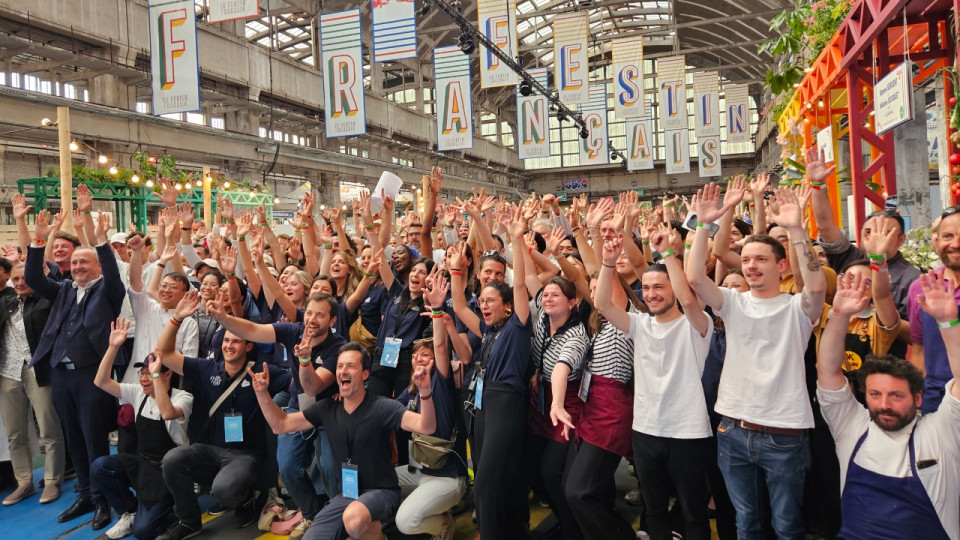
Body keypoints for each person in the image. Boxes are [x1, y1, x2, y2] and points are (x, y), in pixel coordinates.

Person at [687, 182, 826, 540]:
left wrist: (797, 230)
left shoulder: (798, 309)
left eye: (761, 259)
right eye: (746, 260)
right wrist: (702, 225)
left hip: (784, 436)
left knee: (787, 526)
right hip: (733, 430)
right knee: (745, 523)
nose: (751, 266)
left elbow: (815, 287)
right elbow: (694, 278)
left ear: (781, 266)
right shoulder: (734, 303)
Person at [816, 270, 960, 539]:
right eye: (875, 394)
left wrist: (948, 322)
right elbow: (827, 372)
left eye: (896, 395)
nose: (884, 404)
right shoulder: (851, 426)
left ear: (918, 399)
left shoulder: (942, 432)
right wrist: (840, 315)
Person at [250, 342, 437, 540]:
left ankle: (377, 535)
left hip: (381, 492)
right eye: (339, 366)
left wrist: (425, 391)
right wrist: (262, 394)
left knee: (354, 520)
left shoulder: (382, 407)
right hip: (346, 495)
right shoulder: (328, 407)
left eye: (351, 366)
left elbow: (426, 426)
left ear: (365, 374)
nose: (343, 371)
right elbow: (281, 424)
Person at [597, 225, 714, 540]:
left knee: (694, 514)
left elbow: (690, 302)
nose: (651, 294)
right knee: (654, 510)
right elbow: (603, 305)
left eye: (659, 287)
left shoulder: (696, 326)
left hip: (688, 433)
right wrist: (607, 264)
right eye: (646, 288)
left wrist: (666, 254)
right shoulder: (640, 325)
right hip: (646, 432)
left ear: (674, 289)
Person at [207, 293, 347, 539]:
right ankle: (313, 514)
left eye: (320, 315)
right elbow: (252, 329)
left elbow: (313, 387)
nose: (312, 320)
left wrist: (304, 360)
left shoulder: (339, 348)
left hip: (328, 412)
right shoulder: (293, 330)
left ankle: (338, 519)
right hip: (298, 407)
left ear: (332, 321)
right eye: (310, 313)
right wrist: (223, 318)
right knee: (288, 466)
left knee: (329, 468)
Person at [25, 187, 125, 529]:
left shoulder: (108, 290)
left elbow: (113, 273)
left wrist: (99, 239)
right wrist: (38, 242)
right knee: (73, 436)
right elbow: (33, 277)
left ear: (96, 266)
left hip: (91, 374)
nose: (77, 266)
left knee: (94, 436)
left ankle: (102, 499)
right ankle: (84, 493)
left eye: (85, 262)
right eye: (75, 262)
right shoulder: (64, 288)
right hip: (61, 374)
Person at [156, 291, 292, 540]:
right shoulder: (206, 368)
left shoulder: (263, 372)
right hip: (209, 449)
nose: (229, 346)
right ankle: (189, 522)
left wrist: (301, 356)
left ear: (248, 346)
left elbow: (300, 384)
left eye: (237, 342)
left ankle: (247, 497)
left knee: (223, 490)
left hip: (244, 455)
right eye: (227, 341)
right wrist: (176, 319)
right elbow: (164, 353)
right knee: (173, 459)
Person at [449, 207, 532, 539]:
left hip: (506, 402)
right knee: (494, 477)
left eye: (490, 300)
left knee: (483, 485)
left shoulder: (518, 325)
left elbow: (522, 283)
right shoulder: (488, 331)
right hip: (483, 404)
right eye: (481, 300)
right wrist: (457, 268)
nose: (483, 305)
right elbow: (457, 305)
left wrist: (516, 238)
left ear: (508, 305)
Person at [92, 318, 193, 540]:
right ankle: (129, 511)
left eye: (151, 372)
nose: (144, 378)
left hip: (168, 472)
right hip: (141, 464)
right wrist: (113, 347)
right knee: (101, 467)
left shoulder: (183, 397)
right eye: (142, 373)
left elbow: (167, 413)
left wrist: (156, 378)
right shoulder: (139, 393)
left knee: (144, 532)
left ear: (168, 374)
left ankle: (173, 509)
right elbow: (101, 381)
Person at [393, 273, 467, 540]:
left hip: (446, 479)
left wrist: (437, 309)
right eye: (415, 356)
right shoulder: (411, 389)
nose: (418, 359)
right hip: (418, 472)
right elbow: (388, 409)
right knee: (376, 481)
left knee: (406, 522)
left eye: (425, 355)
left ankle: (444, 524)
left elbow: (440, 345)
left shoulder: (440, 383)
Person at [806, 146, 919, 321]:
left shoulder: (911, 279)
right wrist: (817, 185)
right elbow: (826, 226)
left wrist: (880, 321)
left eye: (885, 232)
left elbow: (916, 332)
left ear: (901, 240)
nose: (875, 237)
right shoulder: (850, 258)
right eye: (869, 231)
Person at [0, 262, 64, 506]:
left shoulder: (47, 301)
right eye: (15, 279)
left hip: (39, 370)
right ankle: (23, 482)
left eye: (24, 278)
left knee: (49, 428)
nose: (19, 283)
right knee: (15, 433)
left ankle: (51, 480)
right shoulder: (5, 301)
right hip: (8, 371)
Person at [908, 206, 960, 413]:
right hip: (935, 396)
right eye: (948, 236)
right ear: (936, 242)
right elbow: (918, 348)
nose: (956, 244)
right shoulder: (921, 288)